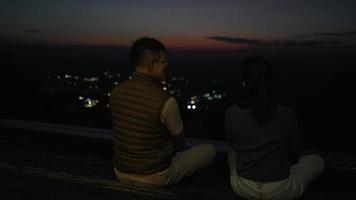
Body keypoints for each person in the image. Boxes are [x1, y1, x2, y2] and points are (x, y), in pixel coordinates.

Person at [109, 37, 216, 188]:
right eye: (163, 61)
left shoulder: (116, 92)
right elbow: (180, 141)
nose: (167, 65)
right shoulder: (165, 101)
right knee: (209, 150)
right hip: (155, 177)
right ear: (151, 65)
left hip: (121, 173)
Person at [225, 56, 324, 199]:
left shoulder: (231, 113)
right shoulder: (286, 113)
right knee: (316, 160)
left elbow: (233, 146)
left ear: (244, 83)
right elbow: (294, 154)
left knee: (232, 152)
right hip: (280, 190)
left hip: (243, 187)